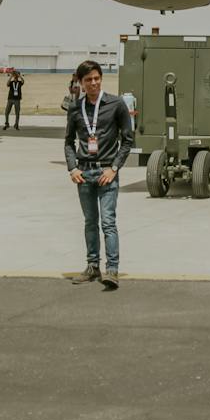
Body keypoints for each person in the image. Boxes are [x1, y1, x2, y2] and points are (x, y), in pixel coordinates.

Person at [64, 59, 133, 289]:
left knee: (109, 222)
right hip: (84, 173)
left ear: (101, 78)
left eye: (96, 78)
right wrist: (72, 168)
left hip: (106, 172)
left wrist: (114, 168)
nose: (93, 83)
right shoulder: (75, 108)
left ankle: (111, 270)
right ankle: (92, 266)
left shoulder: (116, 104)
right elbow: (68, 142)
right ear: (81, 83)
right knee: (90, 222)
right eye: (88, 80)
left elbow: (127, 140)